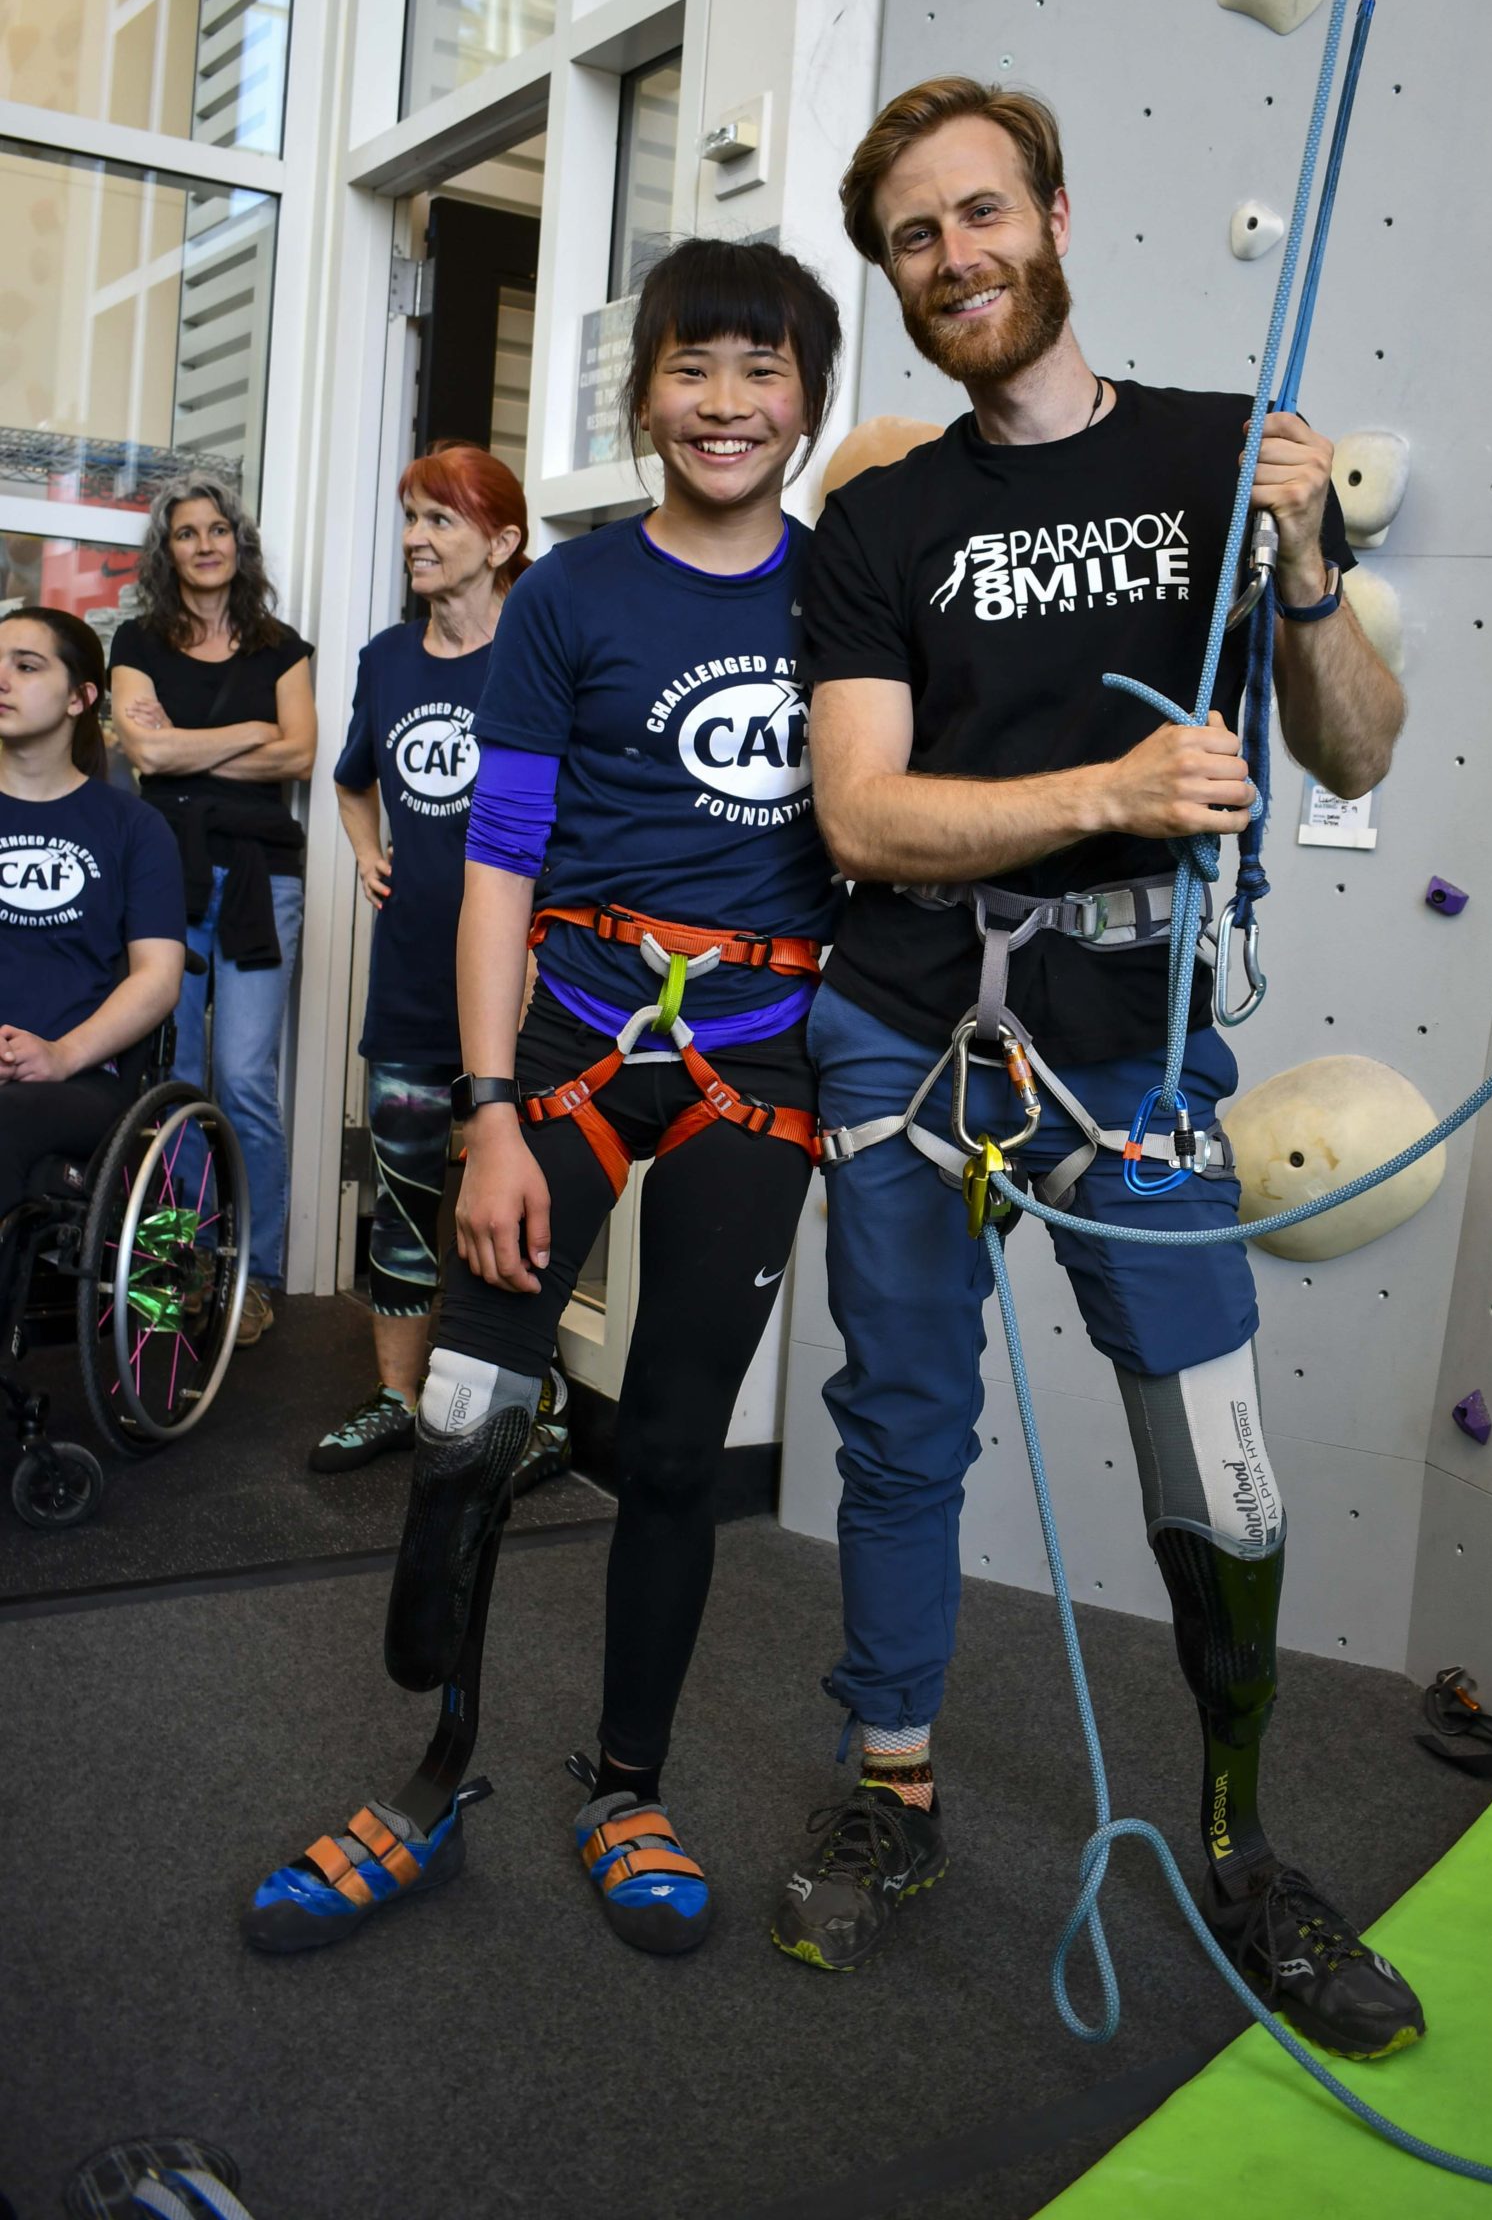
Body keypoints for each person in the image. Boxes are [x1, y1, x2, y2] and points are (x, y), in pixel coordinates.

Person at [774, 75, 1421, 2063]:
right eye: (912, 236)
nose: (953, 256)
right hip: (908, 1029)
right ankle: (893, 1789)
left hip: (1137, 1040)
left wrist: (1302, 568)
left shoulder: (1232, 459)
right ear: (892, 275)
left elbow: (1357, 747)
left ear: (1053, 212)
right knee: (898, 1422)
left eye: (979, 213)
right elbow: (866, 818)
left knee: (1206, 1447)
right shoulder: (877, 518)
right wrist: (1114, 787)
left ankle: (1237, 1841)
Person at [245, 238, 843, 1961]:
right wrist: (493, 1109)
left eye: (762, 370)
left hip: (758, 1071)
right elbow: (499, 855)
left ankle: (626, 1779)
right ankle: (434, 1776)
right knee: (466, 1427)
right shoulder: (572, 598)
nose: (724, 404)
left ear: (803, 393)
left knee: (668, 1447)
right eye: (690, 369)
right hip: (568, 1050)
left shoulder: (845, 593)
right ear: (641, 389)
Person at [314, 444, 570, 1491]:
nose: (416, 537)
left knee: (526, 1208)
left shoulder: (545, 651)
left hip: (531, 989)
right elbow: (352, 779)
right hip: (415, 980)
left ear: (503, 542)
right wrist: (367, 847)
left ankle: (529, 1410)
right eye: (411, 515)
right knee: (405, 1195)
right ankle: (398, 1398)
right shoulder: (386, 658)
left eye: (442, 520)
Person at [111, 475, 317, 1346]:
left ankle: (254, 1276)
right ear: (169, 551)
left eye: (218, 529)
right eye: (187, 533)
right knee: (172, 1076)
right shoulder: (137, 640)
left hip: (261, 881)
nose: (205, 545)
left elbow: (302, 753)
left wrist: (191, 750)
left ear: (240, 542)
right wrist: (248, 735)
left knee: (242, 1082)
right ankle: (178, 1271)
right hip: (165, 877)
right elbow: (146, 755)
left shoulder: (281, 648)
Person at [0, 609, 184, 1309]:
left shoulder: (132, 828)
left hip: (78, 1079)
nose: (2, 679)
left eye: (26, 665)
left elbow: (159, 980)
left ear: (81, 698)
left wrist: (59, 1054)